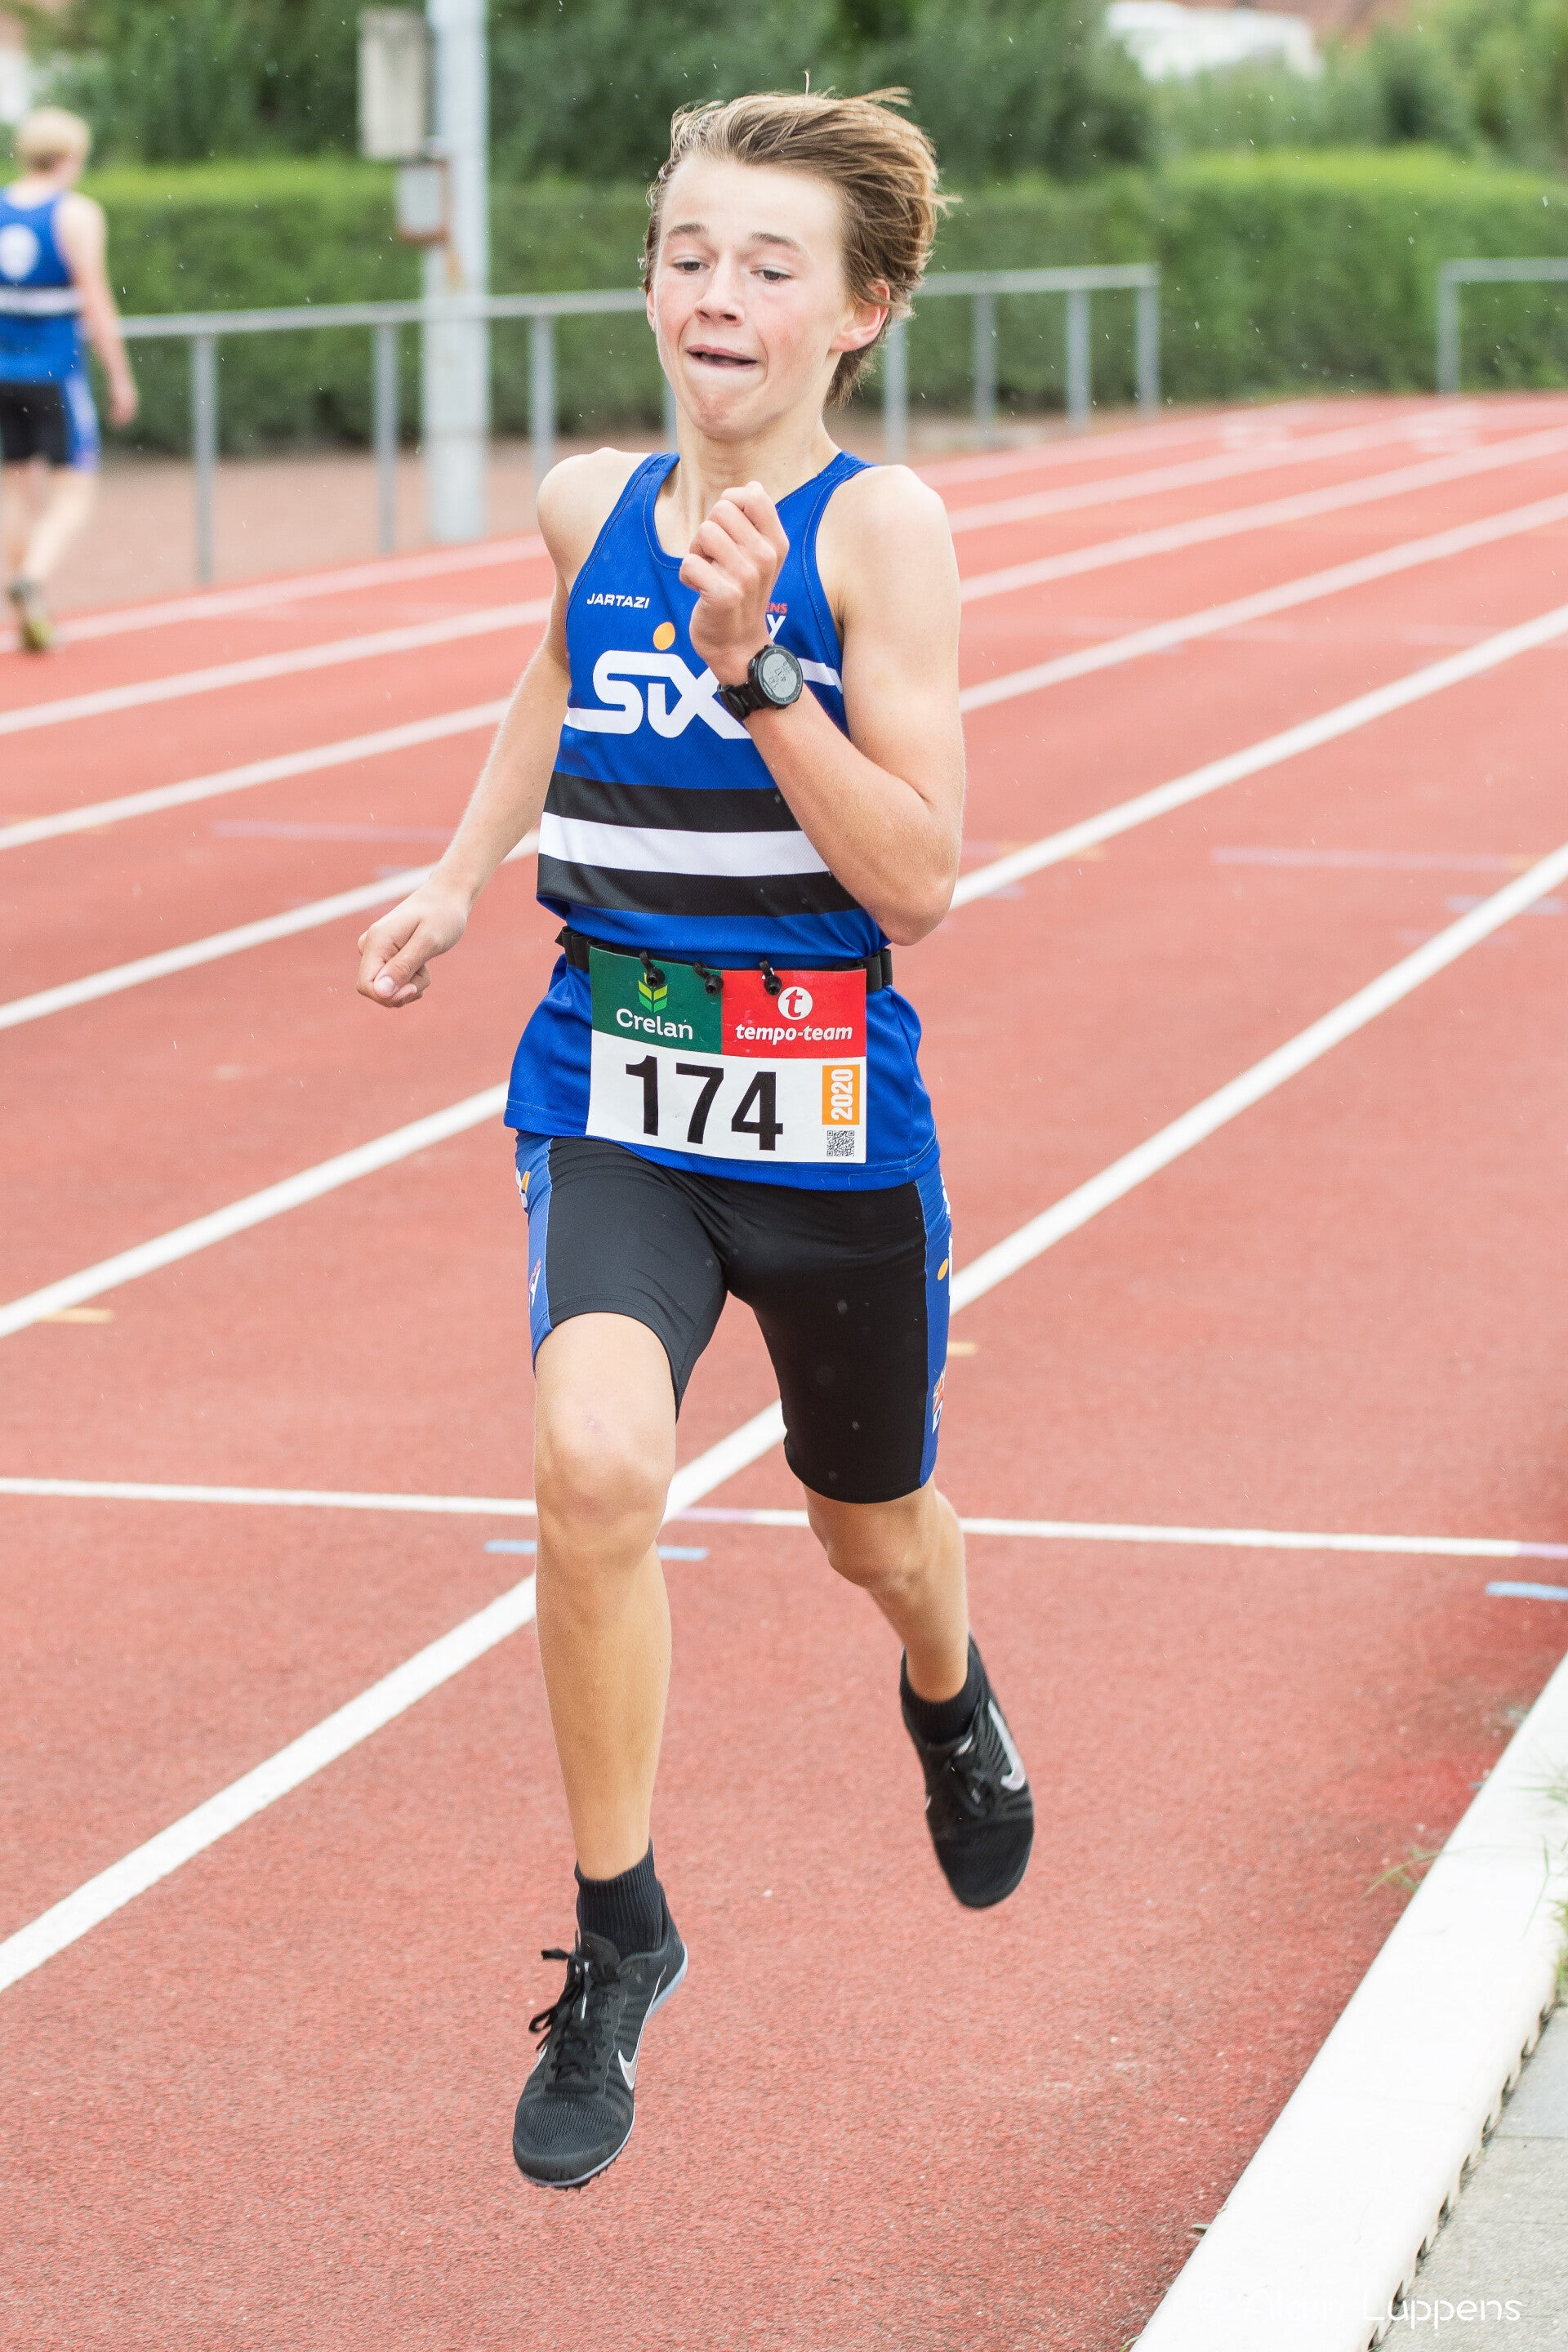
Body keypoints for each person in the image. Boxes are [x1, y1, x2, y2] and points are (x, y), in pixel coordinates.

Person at [356, 87, 1033, 2193]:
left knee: (871, 1531)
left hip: (826, 1110)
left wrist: (759, 676)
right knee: (591, 1468)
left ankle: (948, 1689)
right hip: (616, 1080)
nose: (714, 293)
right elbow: (550, 682)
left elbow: (919, 880)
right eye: (686, 253)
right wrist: (462, 874)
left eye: (767, 264)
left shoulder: (879, 533)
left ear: (859, 313)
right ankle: (622, 1926)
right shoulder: (590, 501)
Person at [0, 106, 136, 651]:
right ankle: (31, 579)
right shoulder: (76, 214)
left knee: (13, 487)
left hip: (2, 372)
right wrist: (120, 375)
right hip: (55, 373)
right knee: (74, 491)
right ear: (69, 158)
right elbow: (96, 301)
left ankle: (25, 609)